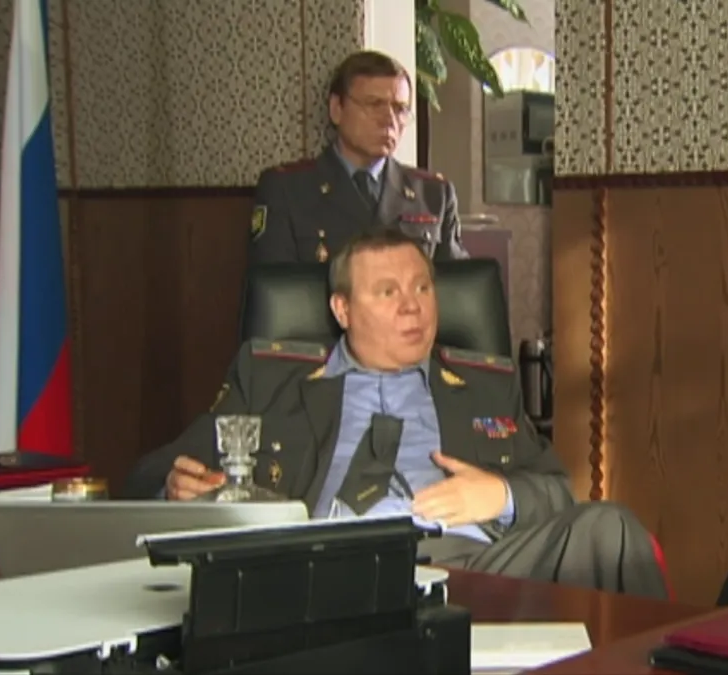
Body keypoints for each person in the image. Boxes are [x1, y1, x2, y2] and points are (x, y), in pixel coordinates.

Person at [124, 229, 668, 600]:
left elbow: (557, 489)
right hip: (325, 569)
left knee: (610, 527)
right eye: (387, 293)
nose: (413, 306)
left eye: (423, 288)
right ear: (342, 310)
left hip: (467, 564)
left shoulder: (484, 385)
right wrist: (171, 487)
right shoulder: (270, 379)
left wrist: (500, 496)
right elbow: (147, 475)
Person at [248, 51, 467, 266]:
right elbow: (276, 284)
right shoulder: (287, 190)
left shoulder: (434, 195)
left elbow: (458, 283)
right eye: (374, 104)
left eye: (400, 109)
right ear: (336, 109)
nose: (389, 120)